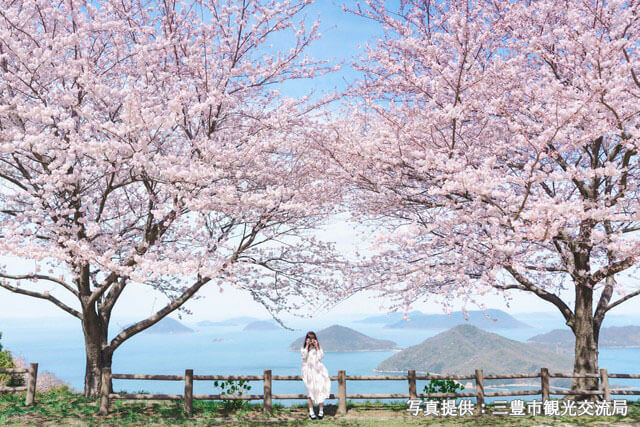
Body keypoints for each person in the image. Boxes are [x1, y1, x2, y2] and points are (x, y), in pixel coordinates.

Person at [301, 331, 330, 420]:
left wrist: (317, 346)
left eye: (313, 338)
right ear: (306, 339)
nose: (311, 340)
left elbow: (321, 357)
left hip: (318, 371)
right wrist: (307, 345)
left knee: (320, 389)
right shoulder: (304, 348)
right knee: (310, 392)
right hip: (309, 372)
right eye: (309, 338)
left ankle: (321, 411)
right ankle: (311, 412)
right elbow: (304, 357)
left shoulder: (318, 348)